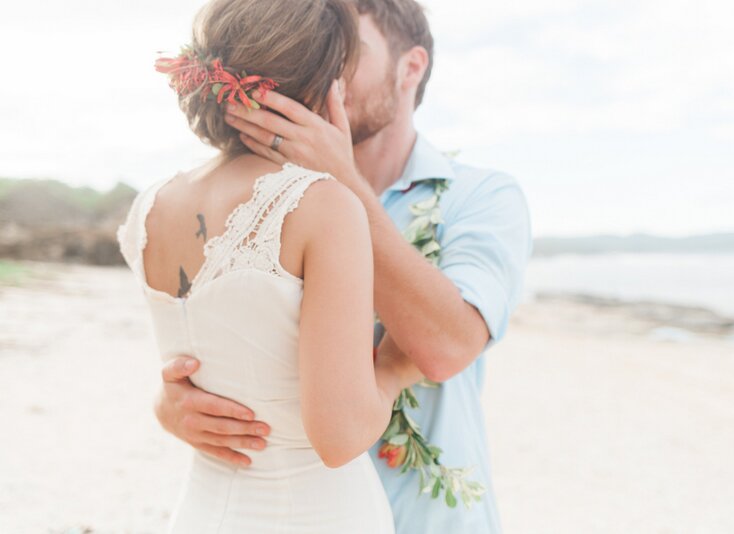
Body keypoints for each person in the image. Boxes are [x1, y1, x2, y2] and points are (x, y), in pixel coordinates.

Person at [155, 0, 533, 532]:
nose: (329, 65)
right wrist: (174, 405)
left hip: (428, 517)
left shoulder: (481, 196)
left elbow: (448, 349)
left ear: (411, 68)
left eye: (350, 50)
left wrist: (346, 184)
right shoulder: (261, 203)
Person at [116, 0, 425, 532]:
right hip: (316, 514)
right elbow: (340, 436)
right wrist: (398, 366)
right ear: (326, 88)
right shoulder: (321, 206)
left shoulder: (151, 206)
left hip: (200, 510)